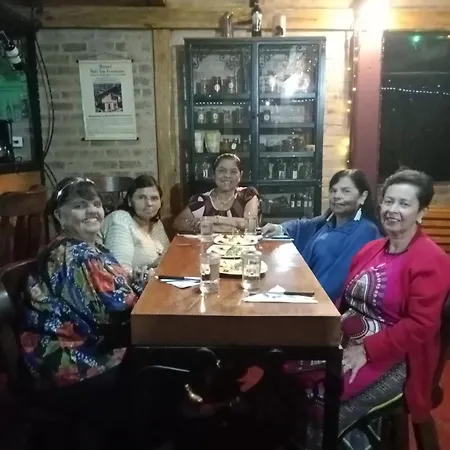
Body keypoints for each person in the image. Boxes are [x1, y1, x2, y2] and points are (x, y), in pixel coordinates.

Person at [291, 169, 450, 449]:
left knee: (324, 397)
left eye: (404, 203)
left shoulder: (431, 260)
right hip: (346, 340)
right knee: (288, 366)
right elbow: (346, 301)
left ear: (421, 212)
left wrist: (366, 350)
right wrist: (320, 328)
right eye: (388, 201)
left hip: (398, 357)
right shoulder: (372, 249)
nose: (392, 209)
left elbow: (422, 326)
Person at [19, 177, 139, 448]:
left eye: (95, 204)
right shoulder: (75, 254)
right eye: (80, 206)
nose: (92, 210)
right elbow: (113, 314)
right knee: (152, 362)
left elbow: (119, 292)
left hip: (85, 341)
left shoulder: (91, 247)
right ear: (59, 216)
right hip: (66, 356)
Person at [261, 169, 380, 302]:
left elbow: (339, 280)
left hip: (324, 302)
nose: (337, 196)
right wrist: (279, 228)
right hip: (305, 292)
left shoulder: (366, 231)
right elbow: (302, 226)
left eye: (345, 191)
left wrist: (304, 296)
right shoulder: (328, 221)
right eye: (333, 191)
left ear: (362, 197)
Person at [173, 153, 259, 234]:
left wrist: (216, 219)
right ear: (213, 174)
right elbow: (178, 223)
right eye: (222, 171)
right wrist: (213, 228)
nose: (227, 176)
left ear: (240, 175)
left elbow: (251, 224)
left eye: (233, 171)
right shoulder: (201, 200)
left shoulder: (248, 195)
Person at [101, 174, 169, 275]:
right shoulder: (120, 220)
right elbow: (119, 272)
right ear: (129, 201)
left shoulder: (156, 224)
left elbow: (168, 258)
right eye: (141, 197)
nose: (149, 203)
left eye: (154, 198)